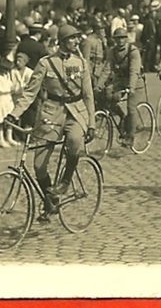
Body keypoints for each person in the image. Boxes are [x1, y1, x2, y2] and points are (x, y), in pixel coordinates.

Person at [8, 24, 96, 215]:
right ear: (62, 42)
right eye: (72, 38)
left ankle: (65, 182)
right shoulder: (45, 63)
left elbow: (88, 96)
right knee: (39, 165)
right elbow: (29, 93)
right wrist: (14, 114)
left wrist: (91, 123)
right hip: (51, 114)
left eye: (77, 38)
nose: (76, 41)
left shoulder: (81, 64)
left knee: (73, 140)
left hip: (76, 113)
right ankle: (50, 200)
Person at [105, 24, 144, 147]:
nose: (120, 41)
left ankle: (130, 137)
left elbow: (134, 71)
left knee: (131, 108)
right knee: (108, 98)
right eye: (117, 38)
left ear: (126, 38)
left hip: (135, 82)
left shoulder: (133, 51)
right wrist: (98, 85)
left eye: (122, 38)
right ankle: (123, 117)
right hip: (120, 80)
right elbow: (106, 68)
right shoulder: (112, 51)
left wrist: (131, 87)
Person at [0, 56, 17, 148]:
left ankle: (9, 137)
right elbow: (0, 89)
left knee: (10, 120)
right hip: (0, 101)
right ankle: (1, 139)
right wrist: (10, 89)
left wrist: (13, 88)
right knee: (0, 121)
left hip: (8, 101)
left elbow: (11, 85)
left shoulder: (7, 76)